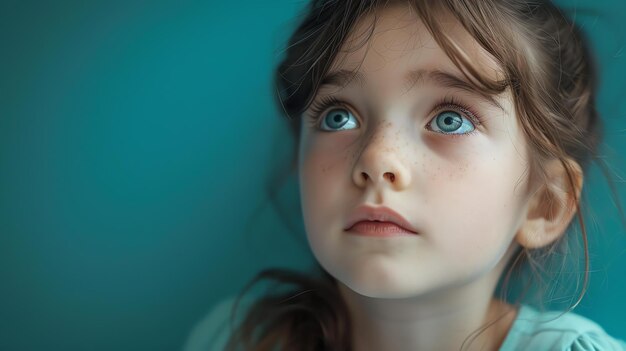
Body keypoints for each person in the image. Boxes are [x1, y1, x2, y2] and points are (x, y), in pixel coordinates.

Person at [184, 0, 626, 350]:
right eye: (338, 116)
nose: (377, 159)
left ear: (543, 202)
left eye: (451, 119)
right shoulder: (236, 339)